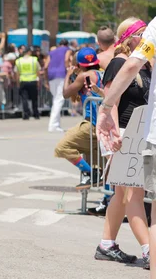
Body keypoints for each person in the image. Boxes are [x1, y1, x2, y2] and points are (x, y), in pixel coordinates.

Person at [94, 18, 150, 267]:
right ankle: (150, 250)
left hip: (137, 133)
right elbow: (111, 100)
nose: (148, 37)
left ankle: (106, 243)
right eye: (143, 33)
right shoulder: (119, 63)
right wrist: (116, 134)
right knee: (132, 193)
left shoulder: (145, 64)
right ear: (130, 37)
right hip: (123, 133)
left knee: (122, 192)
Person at [54, 47, 103, 189]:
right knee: (99, 161)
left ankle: (90, 173)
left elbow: (65, 93)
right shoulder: (102, 73)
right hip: (103, 123)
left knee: (62, 147)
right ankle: (103, 194)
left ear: (79, 64)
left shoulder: (83, 76)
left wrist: (68, 75)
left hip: (92, 123)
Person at [45, 39, 72, 132]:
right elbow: (66, 59)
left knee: (55, 99)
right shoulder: (67, 50)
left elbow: (45, 66)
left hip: (51, 75)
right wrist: (68, 70)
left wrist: (46, 80)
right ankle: (53, 125)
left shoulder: (52, 52)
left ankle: (56, 124)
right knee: (59, 99)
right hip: (61, 74)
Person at [15, 47, 40, 120]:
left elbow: (17, 73)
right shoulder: (34, 60)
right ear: (29, 52)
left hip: (23, 81)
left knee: (24, 99)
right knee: (34, 98)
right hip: (33, 80)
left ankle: (26, 114)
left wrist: (17, 83)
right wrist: (38, 81)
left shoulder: (19, 61)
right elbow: (38, 71)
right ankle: (36, 114)